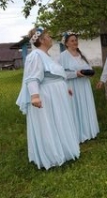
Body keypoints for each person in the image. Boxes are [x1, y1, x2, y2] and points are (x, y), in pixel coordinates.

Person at [16, 27, 80, 170]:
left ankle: (62, 149)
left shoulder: (46, 55)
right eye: (49, 36)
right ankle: (52, 155)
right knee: (49, 122)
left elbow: (55, 74)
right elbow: (32, 77)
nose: (51, 38)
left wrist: (65, 87)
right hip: (47, 96)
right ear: (41, 40)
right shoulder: (35, 56)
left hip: (56, 96)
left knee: (58, 121)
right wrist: (35, 96)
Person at [59, 32, 99, 143]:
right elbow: (61, 74)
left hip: (84, 86)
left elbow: (88, 68)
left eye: (76, 40)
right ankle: (78, 134)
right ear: (66, 43)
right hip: (73, 86)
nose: (75, 42)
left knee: (86, 106)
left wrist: (89, 73)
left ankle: (89, 131)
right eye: (72, 40)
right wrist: (75, 74)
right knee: (75, 108)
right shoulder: (63, 56)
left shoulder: (82, 54)